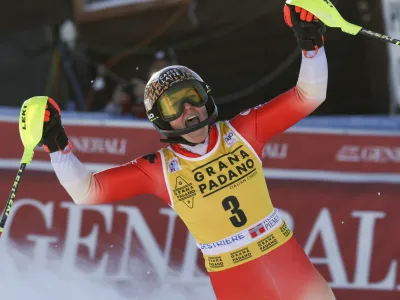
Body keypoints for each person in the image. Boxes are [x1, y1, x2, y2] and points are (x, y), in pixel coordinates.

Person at [40, 4, 335, 300]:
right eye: (173, 105)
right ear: (161, 118)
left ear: (205, 97)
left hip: (285, 259)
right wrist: (57, 145)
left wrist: (310, 44)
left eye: (192, 97)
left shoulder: (244, 130)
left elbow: (309, 95)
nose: (188, 110)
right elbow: (86, 192)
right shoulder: (159, 169)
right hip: (236, 278)